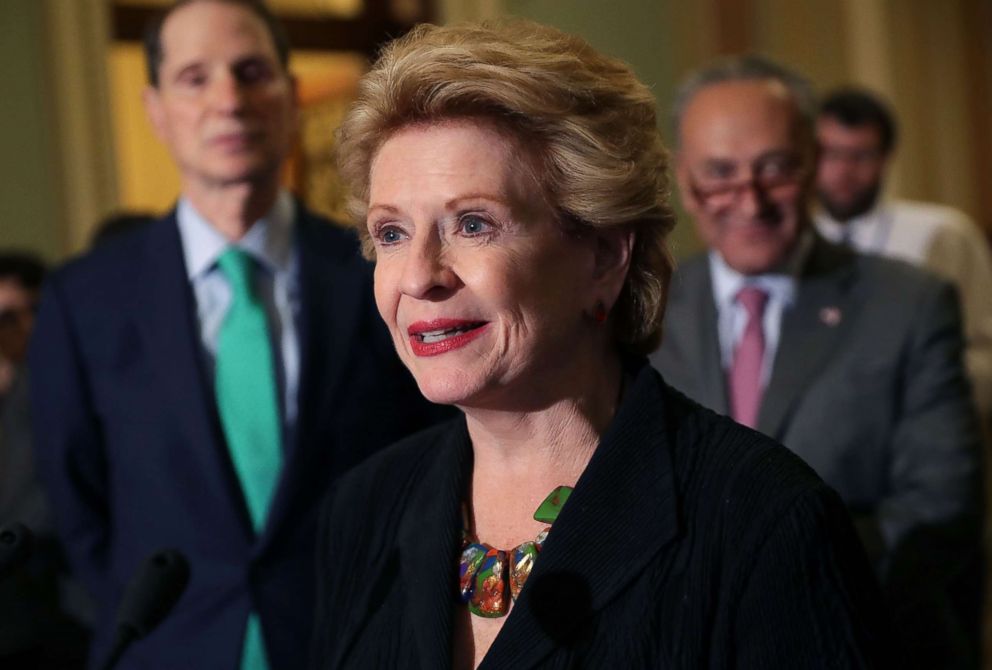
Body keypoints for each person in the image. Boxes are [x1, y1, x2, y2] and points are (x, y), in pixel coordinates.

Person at [311, 21, 887, 669]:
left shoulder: (763, 520)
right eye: (391, 233)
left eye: (473, 224)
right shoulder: (363, 510)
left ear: (604, 254)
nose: (418, 275)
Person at [28, 1, 446, 668]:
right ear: (155, 108)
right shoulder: (85, 301)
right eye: (195, 77)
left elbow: (431, 463)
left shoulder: (382, 271)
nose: (229, 98)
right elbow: (76, 508)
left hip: (355, 647)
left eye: (251, 71)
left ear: (289, 93)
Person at [650, 56, 982, 668]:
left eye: (774, 169)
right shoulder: (645, 311)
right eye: (720, 174)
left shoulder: (910, 303)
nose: (749, 201)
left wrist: (780, 593)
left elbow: (940, 507)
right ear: (685, 180)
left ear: (812, 163)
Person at [814, 86, 992, 434]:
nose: (843, 171)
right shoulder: (789, 243)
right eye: (830, 154)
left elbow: (985, 354)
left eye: (860, 156)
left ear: (886, 157)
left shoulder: (941, 234)